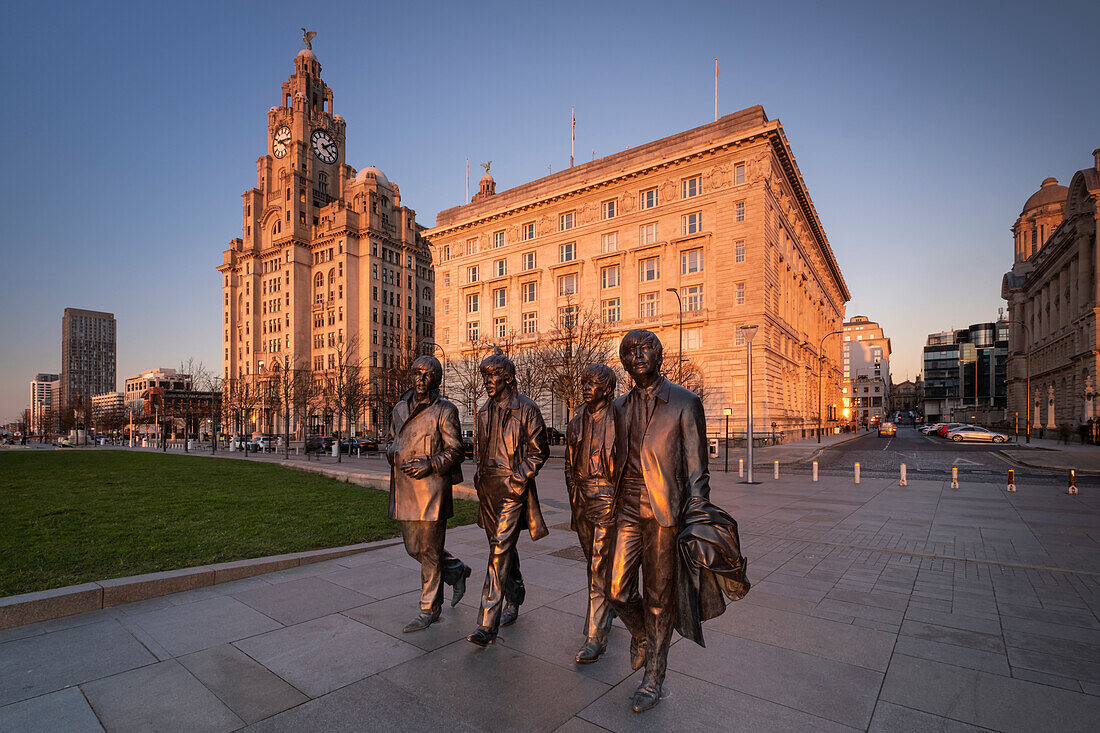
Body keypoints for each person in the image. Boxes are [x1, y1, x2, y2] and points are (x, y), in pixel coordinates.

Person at [607, 329, 712, 713]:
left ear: (660, 354)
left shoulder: (685, 402)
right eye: (629, 351)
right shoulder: (618, 406)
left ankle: (654, 675)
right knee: (616, 589)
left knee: (657, 596)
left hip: (665, 511)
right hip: (628, 508)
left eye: (645, 348)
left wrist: (698, 519)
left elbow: (698, 470)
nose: (637, 356)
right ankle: (641, 636)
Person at [467, 352, 550, 647]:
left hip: (513, 489)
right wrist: (479, 479)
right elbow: (481, 450)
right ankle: (516, 593)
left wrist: (519, 479)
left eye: (493, 376)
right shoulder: (483, 412)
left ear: (509, 377)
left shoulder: (526, 409)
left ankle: (487, 624)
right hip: (488, 488)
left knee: (499, 549)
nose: (488, 382)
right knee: (502, 548)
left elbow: (539, 451)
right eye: (485, 377)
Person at [386, 355, 472, 633]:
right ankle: (457, 570)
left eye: (427, 375)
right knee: (414, 548)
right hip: (405, 488)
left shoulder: (444, 410)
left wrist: (431, 463)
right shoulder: (399, 408)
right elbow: (391, 440)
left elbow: (457, 450)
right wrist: (392, 452)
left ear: (436, 380)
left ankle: (429, 609)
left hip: (432, 488)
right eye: (416, 374)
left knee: (431, 552)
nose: (420, 380)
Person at [564, 364, 621, 664]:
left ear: (608, 389)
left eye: (594, 383)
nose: (586, 387)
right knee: (594, 565)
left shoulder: (621, 419)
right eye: (584, 382)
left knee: (599, 566)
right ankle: (610, 604)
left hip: (610, 501)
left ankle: (594, 637)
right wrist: (574, 496)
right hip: (583, 500)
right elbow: (569, 467)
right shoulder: (575, 423)